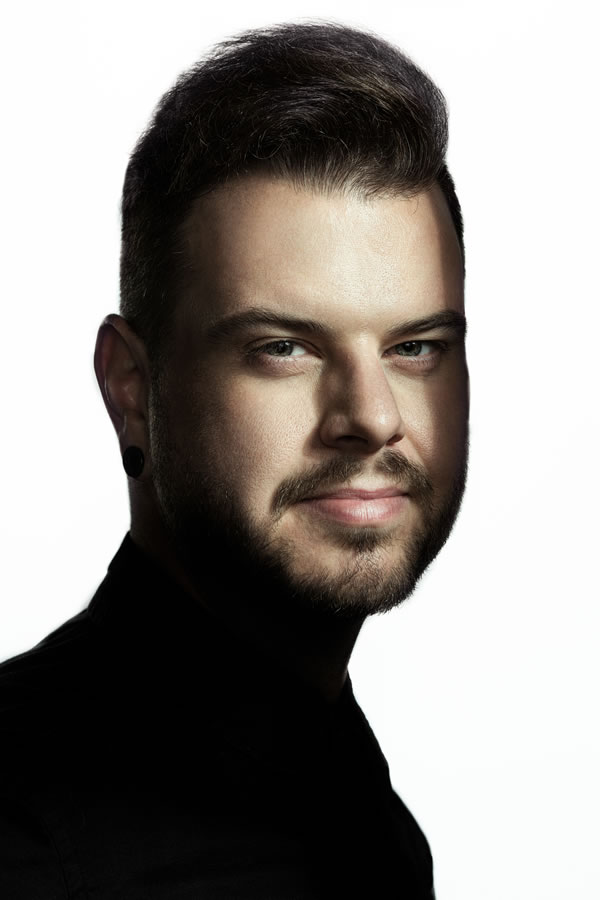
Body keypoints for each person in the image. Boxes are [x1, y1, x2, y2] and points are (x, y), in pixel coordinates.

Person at [0, 22, 468, 899]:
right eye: (284, 348)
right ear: (132, 390)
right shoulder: (29, 845)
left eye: (415, 347)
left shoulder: (360, 808)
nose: (373, 417)